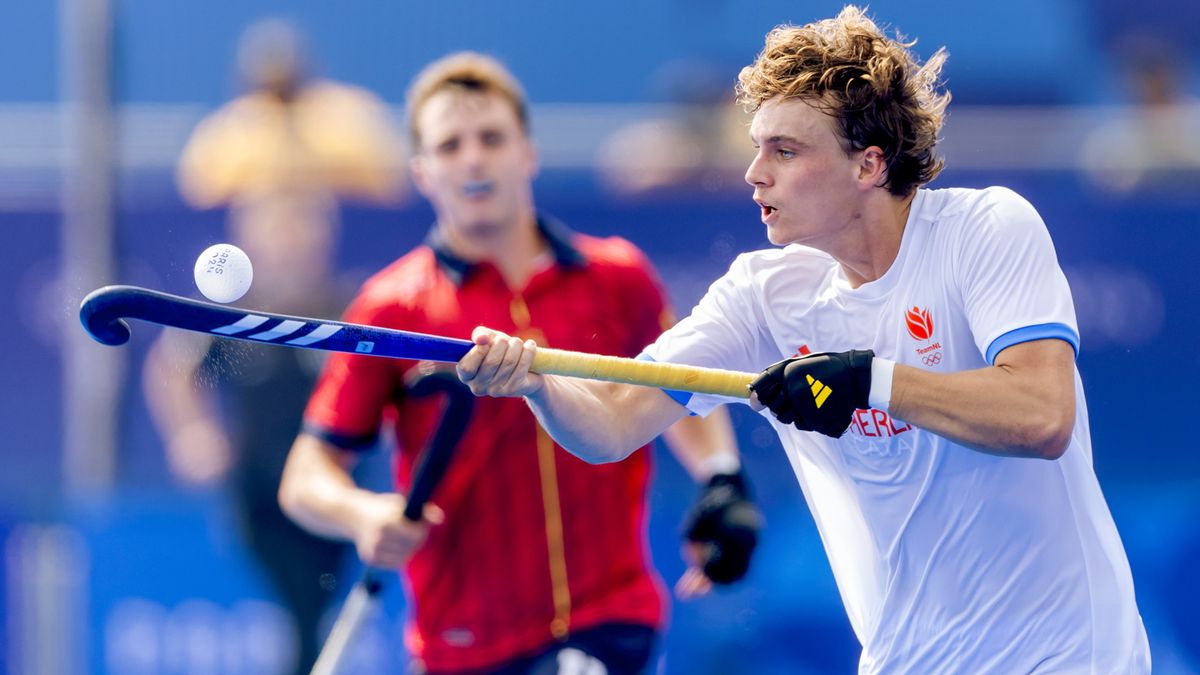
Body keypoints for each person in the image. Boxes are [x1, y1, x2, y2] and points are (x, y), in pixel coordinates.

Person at [455, 6, 1152, 673]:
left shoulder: (988, 228)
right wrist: (537, 386)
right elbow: (608, 425)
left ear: (868, 164)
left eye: (785, 150)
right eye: (758, 148)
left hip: (1072, 658)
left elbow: (1041, 414)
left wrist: (869, 380)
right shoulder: (765, 293)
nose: (755, 173)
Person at [277, 52, 759, 675]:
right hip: (463, 639)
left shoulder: (618, 277)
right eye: (450, 145)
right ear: (423, 172)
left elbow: (676, 386)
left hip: (609, 618)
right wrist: (363, 514)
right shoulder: (389, 307)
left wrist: (719, 476)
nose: (474, 158)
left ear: (527, 153)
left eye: (492, 138)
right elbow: (306, 476)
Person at [143, 18, 405, 675]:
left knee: (317, 614)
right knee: (300, 613)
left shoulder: (347, 308)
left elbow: (398, 376)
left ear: (326, 232)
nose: (292, 238)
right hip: (259, 494)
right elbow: (172, 370)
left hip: (339, 486)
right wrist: (192, 437)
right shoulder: (233, 319)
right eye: (277, 225)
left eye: (304, 224)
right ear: (249, 234)